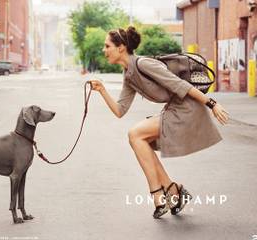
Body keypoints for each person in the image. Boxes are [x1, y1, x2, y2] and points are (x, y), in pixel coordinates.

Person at [89, 26, 229, 219]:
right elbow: (120, 111)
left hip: (187, 109)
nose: (104, 51)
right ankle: (173, 191)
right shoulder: (129, 75)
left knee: (135, 134)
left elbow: (180, 85)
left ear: (121, 47)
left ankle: (158, 195)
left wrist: (212, 104)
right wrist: (102, 90)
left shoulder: (143, 64)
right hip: (174, 109)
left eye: (107, 46)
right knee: (139, 140)